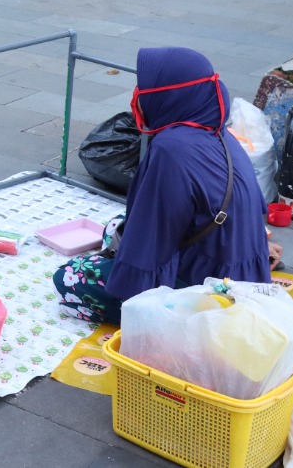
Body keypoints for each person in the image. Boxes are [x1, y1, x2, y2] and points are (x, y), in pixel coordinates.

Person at [53, 47, 276, 325]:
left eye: (144, 89)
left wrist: (127, 282)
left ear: (169, 96)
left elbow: (149, 252)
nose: (137, 95)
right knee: (115, 225)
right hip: (235, 268)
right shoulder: (217, 130)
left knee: (69, 277)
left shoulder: (171, 149)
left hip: (207, 291)